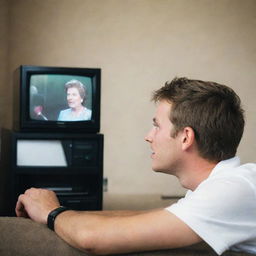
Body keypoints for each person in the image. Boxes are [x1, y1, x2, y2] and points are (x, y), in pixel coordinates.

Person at [15, 77, 256, 255]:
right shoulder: (221, 186)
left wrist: (50, 211)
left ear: (185, 137)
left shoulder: (229, 191)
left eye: (157, 126)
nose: (148, 136)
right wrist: (73, 214)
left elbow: (91, 239)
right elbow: (148, 219)